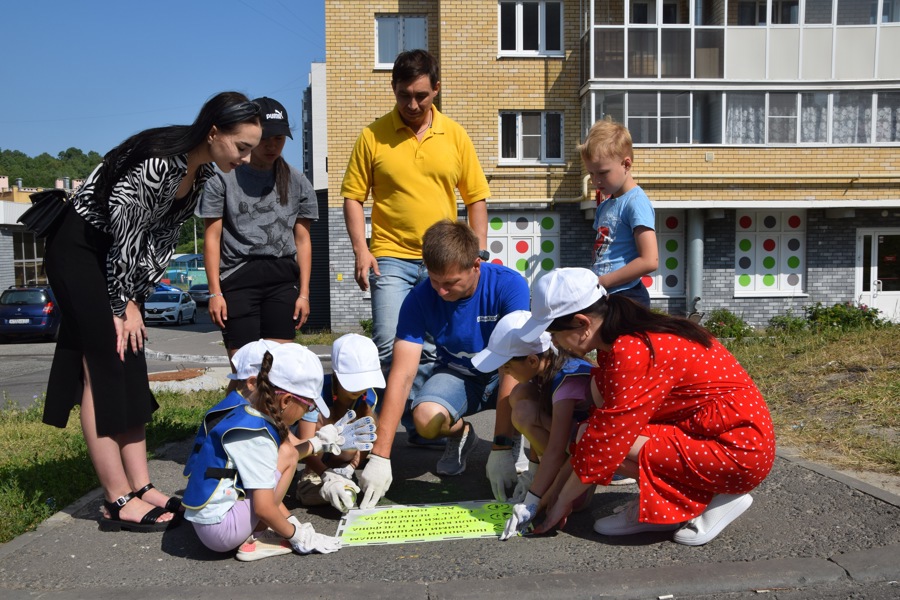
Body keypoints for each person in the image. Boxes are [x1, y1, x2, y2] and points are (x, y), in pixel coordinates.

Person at [42, 92, 263, 532]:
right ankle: (116, 497)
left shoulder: (197, 176)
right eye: (242, 146)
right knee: (102, 362)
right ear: (214, 131)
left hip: (113, 260)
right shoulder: (160, 162)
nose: (246, 157)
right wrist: (120, 302)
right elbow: (125, 231)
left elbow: (157, 242)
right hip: (79, 248)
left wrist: (135, 297)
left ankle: (141, 487)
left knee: (131, 357)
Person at [515, 268, 776, 546]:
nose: (553, 342)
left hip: (736, 453)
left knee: (598, 438)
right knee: (592, 432)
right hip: (718, 436)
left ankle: (709, 498)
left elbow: (607, 440)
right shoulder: (628, 336)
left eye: (555, 332)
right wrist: (549, 496)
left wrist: (558, 505)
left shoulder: (633, 349)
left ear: (582, 323)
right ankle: (672, 503)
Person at [341, 49, 491, 447]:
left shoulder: (455, 135)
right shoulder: (373, 136)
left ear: (436, 89)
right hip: (390, 255)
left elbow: (476, 197)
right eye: (403, 94)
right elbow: (353, 197)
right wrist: (361, 249)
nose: (412, 104)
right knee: (390, 342)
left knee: (433, 347)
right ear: (393, 89)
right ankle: (414, 422)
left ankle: (427, 421)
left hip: (441, 261)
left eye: (421, 95)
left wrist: (476, 253)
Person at [357, 220, 530, 509]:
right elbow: (402, 375)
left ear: (476, 265)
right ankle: (461, 434)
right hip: (459, 375)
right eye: (435, 280)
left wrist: (500, 445)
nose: (441, 291)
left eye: (450, 283)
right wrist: (380, 455)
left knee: (529, 401)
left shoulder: (509, 285)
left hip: (507, 374)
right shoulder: (420, 297)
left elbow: (514, 367)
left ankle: (514, 439)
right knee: (424, 419)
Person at [183, 343, 375, 561]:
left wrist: (321, 442)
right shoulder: (259, 437)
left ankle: (259, 531)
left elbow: (260, 482)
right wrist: (296, 534)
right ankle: (255, 538)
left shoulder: (243, 411)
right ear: (285, 401)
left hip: (206, 519)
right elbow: (264, 506)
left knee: (287, 453)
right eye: (309, 407)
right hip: (221, 533)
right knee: (289, 456)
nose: (308, 412)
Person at [199, 96, 318, 378]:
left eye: (280, 138)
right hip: (238, 281)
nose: (272, 145)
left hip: (281, 280)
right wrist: (214, 292)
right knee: (247, 375)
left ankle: (274, 423)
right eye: (265, 137)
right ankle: (228, 421)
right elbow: (212, 239)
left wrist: (304, 293)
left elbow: (303, 241)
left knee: (279, 374)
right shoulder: (223, 179)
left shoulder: (298, 181)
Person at [470, 310, 595, 539]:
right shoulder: (545, 365)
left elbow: (557, 450)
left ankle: (566, 488)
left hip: (586, 453)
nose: (503, 372)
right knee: (520, 398)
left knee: (569, 504)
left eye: (507, 367)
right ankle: (544, 479)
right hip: (572, 443)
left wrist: (533, 501)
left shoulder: (567, 382)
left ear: (532, 360)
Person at [295, 333, 385, 513]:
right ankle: (311, 476)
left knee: (367, 423)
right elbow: (303, 442)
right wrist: (325, 475)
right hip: (311, 451)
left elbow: (369, 434)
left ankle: (341, 471)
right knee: (322, 423)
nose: (360, 388)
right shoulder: (317, 391)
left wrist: (351, 468)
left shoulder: (369, 396)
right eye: (354, 381)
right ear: (336, 374)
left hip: (342, 456)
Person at [582, 118, 658, 308]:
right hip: (606, 294)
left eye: (603, 173)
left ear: (626, 164)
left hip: (627, 297)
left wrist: (604, 281)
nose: (595, 180)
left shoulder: (636, 202)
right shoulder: (604, 206)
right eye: (591, 173)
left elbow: (650, 260)